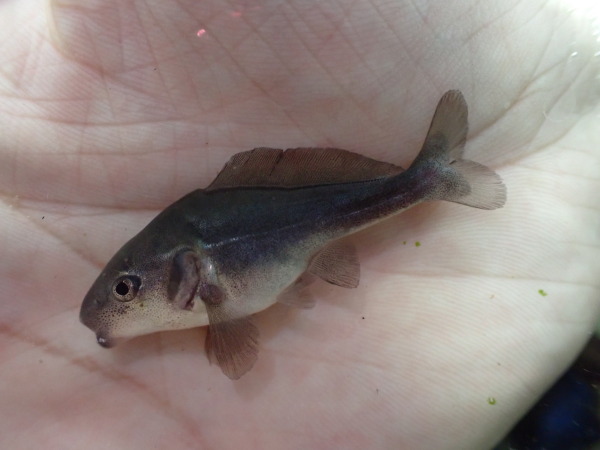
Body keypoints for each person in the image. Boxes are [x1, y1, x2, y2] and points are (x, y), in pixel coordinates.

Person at [0, 1, 598, 448]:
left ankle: (430, 177)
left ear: (185, 269)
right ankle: (430, 176)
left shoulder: (207, 283)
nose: (120, 303)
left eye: (126, 288)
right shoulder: (195, 281)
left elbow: (236, 348)